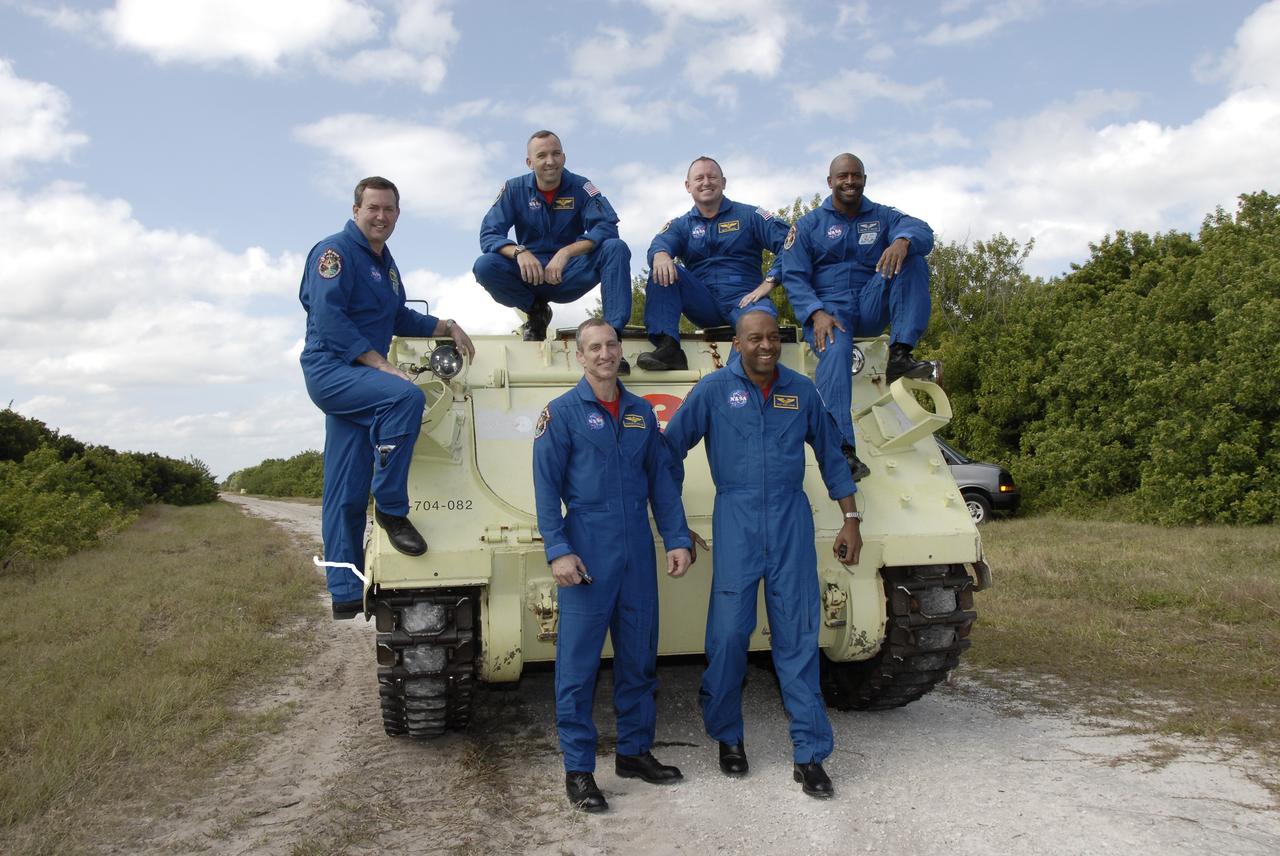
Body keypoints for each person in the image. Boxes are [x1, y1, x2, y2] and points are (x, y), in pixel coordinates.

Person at [662, 309, 861, 800]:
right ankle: (728, 735)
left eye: (773, 337)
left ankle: (810, 754)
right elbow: (668, 452)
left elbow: (833, 454)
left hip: (792, 519)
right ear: (737, 342)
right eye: (755, 338)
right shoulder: (712, 391)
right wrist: (675, 524)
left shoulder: (801, 389)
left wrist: (852, 519)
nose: (766, 346)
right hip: (737, 518)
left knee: (797, 634)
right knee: (729, 635)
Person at [532, 318, 694, 813]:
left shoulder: (642, 414)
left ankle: (634, 751)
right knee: (578, 668)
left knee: (639, 658)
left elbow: (663, 484)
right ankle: (579, 770)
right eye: (594, 347)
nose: (604, 354)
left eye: (610, 345)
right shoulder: (560, 415)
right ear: (579, 357)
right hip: (587, 550)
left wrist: (678, 538)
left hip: (636, 554)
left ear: (619, 350)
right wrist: (558, 549)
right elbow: (545, 488)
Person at [299, 176, 475, 620]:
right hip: (334, 369)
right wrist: (381, 366)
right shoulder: (334, 253)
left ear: (397, 214)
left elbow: (397, 315)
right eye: (373, 208)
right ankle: (393, 510)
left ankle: (343, 589)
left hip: (358, 378)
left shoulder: (385, 263)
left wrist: (445, 325)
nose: (381, 216)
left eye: (389, 210)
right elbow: (327, 317)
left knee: (343, 488)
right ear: (356, 209)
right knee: (404, 397)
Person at [781, 153, 935, 478]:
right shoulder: (808, 226)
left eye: (856, 175)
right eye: (843, 176)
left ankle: (902, 352)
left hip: (869, 302)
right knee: (836, 351)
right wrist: (815, 312)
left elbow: (922, 229)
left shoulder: (881, 217)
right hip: (830, 311)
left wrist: (903, 241)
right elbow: (794, 276)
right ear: (830, 182)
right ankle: (842, 451)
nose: (850, 181)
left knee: (914, 258)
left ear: (864, 179)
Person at [473, 130, 632, 357]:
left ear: (564, 158)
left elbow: (607, 228)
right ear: (530, 162)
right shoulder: (513, 189)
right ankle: (536, 312)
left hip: (568, 273)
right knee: (485, 265)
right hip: (531, 275)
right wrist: (519, 252)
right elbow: (489, 234)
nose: (550, 161)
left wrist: (567, 252)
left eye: (556, 154)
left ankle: (613, 337)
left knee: (616, 248)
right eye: (542, 155)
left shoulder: (582, 187)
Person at [636, 156, 792, 371]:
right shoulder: (681, 225)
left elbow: (791, 243)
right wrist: (661, 254)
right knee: (661, 269)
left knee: (760, 322)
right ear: (688, 186)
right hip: (703, 301)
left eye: (712, 177)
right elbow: (660, 243)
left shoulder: (750, 215)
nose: (706, 182)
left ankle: (731, 378)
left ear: (724, 182)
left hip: (746, 299)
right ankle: (669, 348)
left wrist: (771, 280)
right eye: (699, 178)